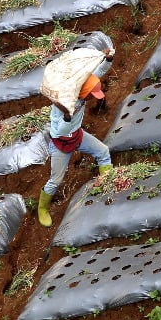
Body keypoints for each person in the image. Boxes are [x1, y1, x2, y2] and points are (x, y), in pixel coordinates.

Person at [38, 47, 115, 227]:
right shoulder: (63, 104)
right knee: (55, 180)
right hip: (61, 144)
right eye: (92, 95)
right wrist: (67, 115)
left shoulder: (82, 84)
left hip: (78, 136)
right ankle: (42, 209)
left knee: (103, 151)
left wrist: (108, 59)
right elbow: (60, 132)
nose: (94, 98)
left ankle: (108, 185)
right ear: (84, 94)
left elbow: (97, 73)